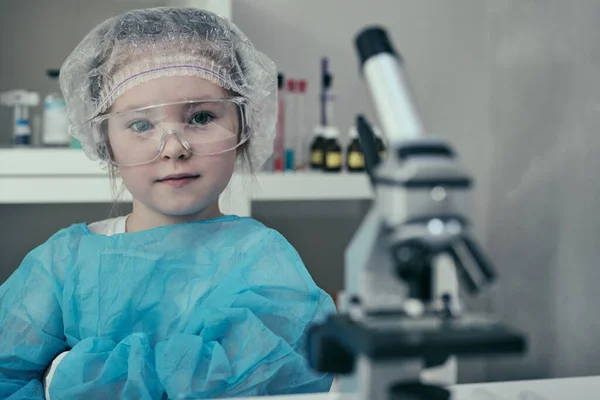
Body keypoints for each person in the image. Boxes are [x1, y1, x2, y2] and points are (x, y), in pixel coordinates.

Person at [0, 7, 335, 399]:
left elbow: (268, 373)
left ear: (244, 126)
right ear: (104, 140)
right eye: (142, 125)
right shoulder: (62, 265)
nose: (174, 147)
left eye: (202, 116)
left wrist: (66, 378)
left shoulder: (264, 263)